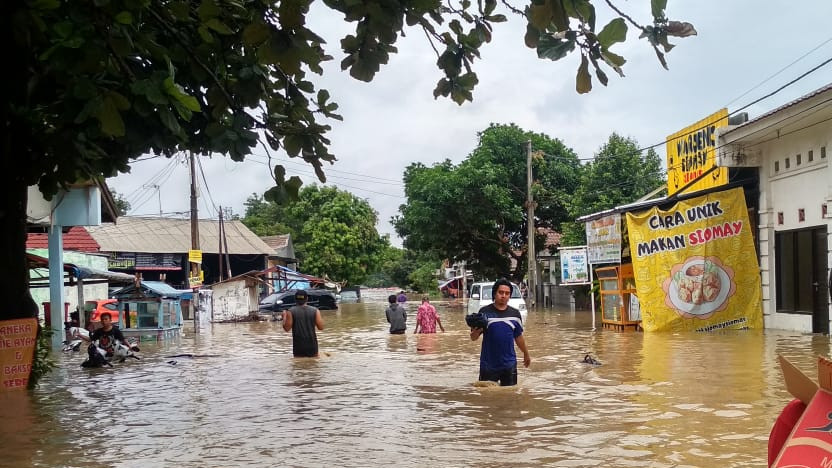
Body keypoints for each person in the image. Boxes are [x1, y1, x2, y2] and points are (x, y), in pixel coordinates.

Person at [469, 278, 531, 386]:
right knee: (487, 397)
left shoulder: (515, 314)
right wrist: (475, 332)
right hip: (488, 364)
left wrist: (526, 354)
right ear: (494, 293)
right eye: (500, 292)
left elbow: (518, 337)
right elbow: (474, 338)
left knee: (510, 395)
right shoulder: (484, 312)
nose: (503, 296)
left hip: (509, 364)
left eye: (507, 293)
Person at [282, 290, 324, 357]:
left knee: (299, 366)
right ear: (307, 299)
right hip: (312, 346)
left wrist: (284, 316)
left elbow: (287, 328)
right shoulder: (315, 310)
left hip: (298, 347)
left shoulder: (290, 311)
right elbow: (321, 327)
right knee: (314, 366)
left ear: (295, 299)